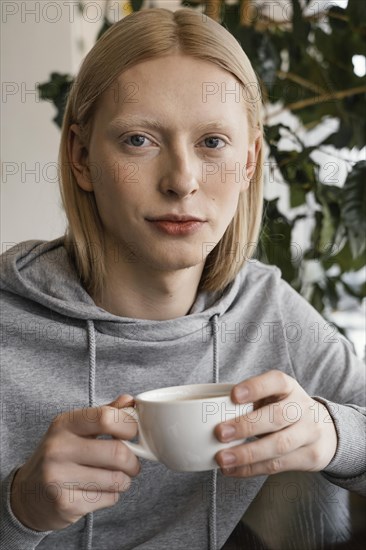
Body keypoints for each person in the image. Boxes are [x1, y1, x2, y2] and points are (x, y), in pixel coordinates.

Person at [0, 7, 365, 550]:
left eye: (212, 143)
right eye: (139, 140)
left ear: (248, 163)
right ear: (80, 156)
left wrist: (334, 432)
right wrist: (17, 508)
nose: (181, 181)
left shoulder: (267, 310)